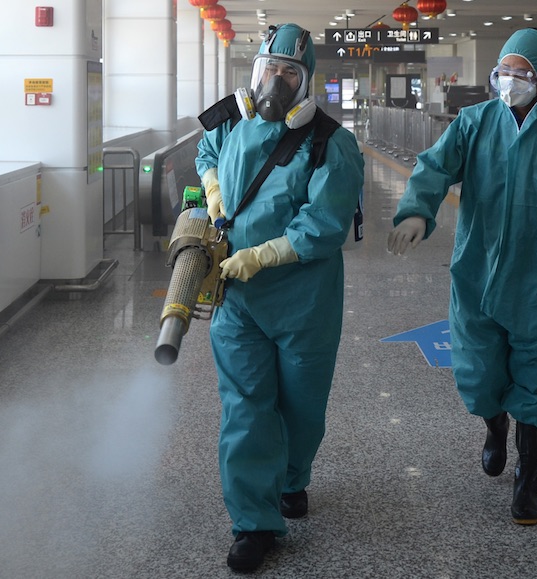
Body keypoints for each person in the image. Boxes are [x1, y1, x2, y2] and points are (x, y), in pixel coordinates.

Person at [387, 28, 537, 526]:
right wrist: (417, 211)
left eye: (521, 72)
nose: (510, 80)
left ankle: (527, 479)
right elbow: (434, 167)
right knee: (478, 374)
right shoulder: (473, 123)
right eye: (504, 71)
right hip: (477, 274)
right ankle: (495, 428)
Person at [195, 23, 365, 573]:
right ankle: (253, 522)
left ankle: (292, 478)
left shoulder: (330, 143)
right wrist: (213, 187)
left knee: (301, 408)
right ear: (256, 69)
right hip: (238, 300)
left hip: (303, 302)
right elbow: (205, 151)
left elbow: (325, 223)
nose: (277, 79)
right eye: (270, 67)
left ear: (306, 81)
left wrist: (262, 255)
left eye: (291, 72)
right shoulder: (231, 119)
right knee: (245, 407)